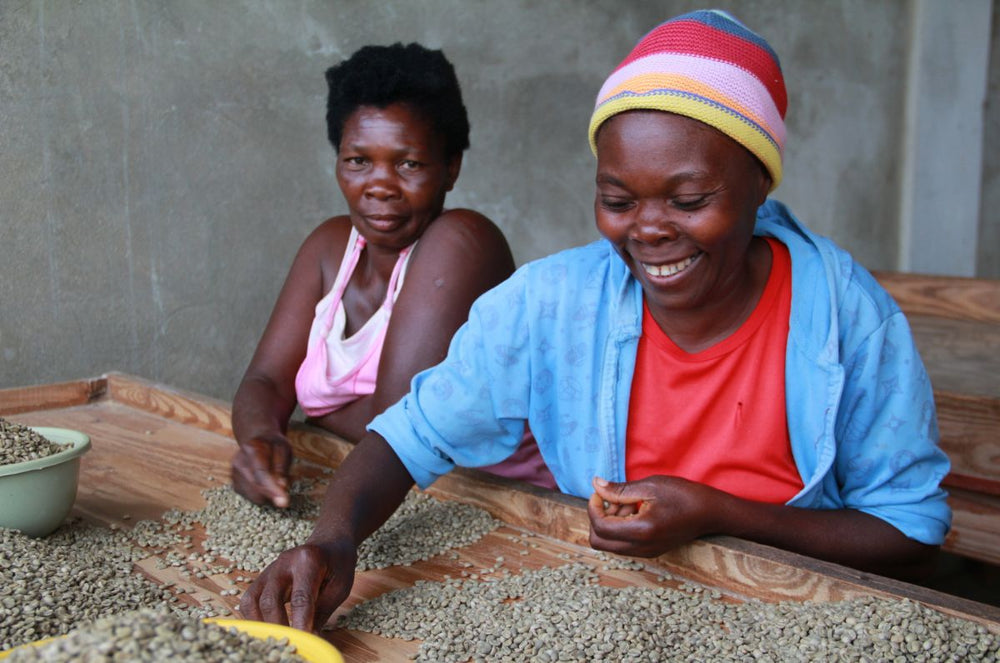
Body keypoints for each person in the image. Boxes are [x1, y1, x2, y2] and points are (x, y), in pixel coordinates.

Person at [240, 10, 951, 631]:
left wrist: (719, 511)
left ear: (759, 183)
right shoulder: (554, 301)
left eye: (688, 198)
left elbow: (909, 528)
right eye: (618, 197)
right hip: (609, 604)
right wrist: (335, 541)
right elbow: (407, 434)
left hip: (796, 617)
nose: (648, 230)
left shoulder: (845, 315)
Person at [230, 42, 554, 510]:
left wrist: (315, 413)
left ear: (451, 169)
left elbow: (398, 425)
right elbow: (264, 380)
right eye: (358, 160)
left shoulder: (463, 242)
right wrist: (261, 438)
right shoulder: (329, 248)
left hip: (514, 506)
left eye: (409, 164)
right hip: (407, 493)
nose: (380, 185)